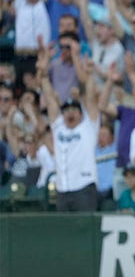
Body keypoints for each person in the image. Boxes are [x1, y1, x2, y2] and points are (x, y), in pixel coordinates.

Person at [37, 38, 100, 212]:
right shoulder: (59, 127)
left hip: (84, 187)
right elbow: (50, 100)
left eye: (74, 110)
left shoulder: (88, 127)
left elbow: (92, 100)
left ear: (80, 113)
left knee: (86, 232)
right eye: (67, 110)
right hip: (63, 188)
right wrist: (43, 76)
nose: (70, 113)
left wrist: (89, 77)